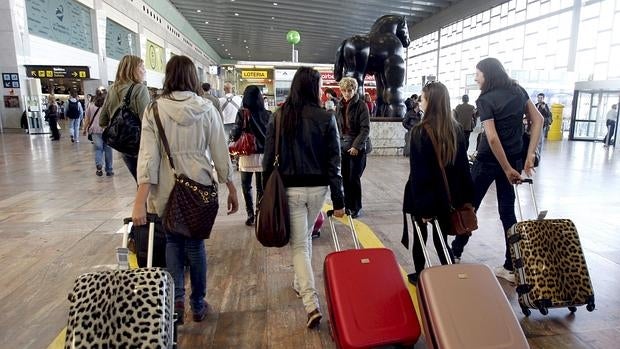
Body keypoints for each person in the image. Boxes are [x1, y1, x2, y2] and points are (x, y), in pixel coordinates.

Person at [132, 55, 239, 325]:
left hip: (167, 188)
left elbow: (148, 158)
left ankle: (176, 300)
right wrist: (230, 185)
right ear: (192, 77)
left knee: (172, 242)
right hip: (199, 187)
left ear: (168, 76)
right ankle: (198, 303)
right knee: (195, 245)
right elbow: (220, 152)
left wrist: (140, 201)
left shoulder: (154, 110)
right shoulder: (206, 109)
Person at [263, 67, 344, 329]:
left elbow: (267, 161)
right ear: (312, 87)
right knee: (304, 237)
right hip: (318, 189)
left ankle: (310, 303)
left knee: (299, 244)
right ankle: (300, 283)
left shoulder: (279, 117)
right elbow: (334, 161)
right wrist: (339, 199)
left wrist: (265, 194)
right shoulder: (326, 117)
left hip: (289, 189)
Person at [451, 58, 543, 283]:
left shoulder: (485, 99)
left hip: (487, 162)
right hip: (511, 159)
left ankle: (456, 251)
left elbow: (492, 138)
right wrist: (528, 155)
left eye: (478, 74)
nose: (475, 78)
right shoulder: (518, 90)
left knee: (470, 205)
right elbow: (538, 120)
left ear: (488, 75)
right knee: (507, 211)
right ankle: (511, 266)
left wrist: (507, 168)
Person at [402, 81, 474, 284]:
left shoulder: (419, 131)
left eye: (423, 99)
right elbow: (463, 168)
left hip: (424, 197)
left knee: (420, 235)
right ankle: (449, 271)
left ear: (430, 102)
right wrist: (468, 199)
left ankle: (420, 274)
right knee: (441, 235)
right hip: (448, 196)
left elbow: (419, 174)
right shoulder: (456, 130)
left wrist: (424, 208)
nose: (420, 102)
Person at [99, 55, 150, 182]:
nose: (144, 70)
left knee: (141, 184)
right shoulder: (140, 89)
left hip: (124, 147)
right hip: (141, 146)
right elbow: (147, 122)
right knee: (148, 187)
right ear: (132, 69)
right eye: (142, 67)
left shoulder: (112, 89)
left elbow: (102, 120)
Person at [230, 85, 271, 226]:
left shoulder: (242, 113)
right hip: (263, 156)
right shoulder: (268, 114)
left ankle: (250, 215)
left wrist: (232, 139)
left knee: (246, 187)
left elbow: (235, 133)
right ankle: (260, 214)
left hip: (247, 155)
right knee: (261, 188)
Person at [335, 77, 370, 218]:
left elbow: (365, 129)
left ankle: (355, 207)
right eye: (344, 90)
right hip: (342, 146)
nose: (346, 93)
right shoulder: (339, 105)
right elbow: (337, 127)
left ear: (354, 90)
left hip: (357, 147)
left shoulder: (361, 105)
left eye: (349, 90)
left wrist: (356, 146)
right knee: (344, 177)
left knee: (354, 178)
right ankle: (348, 205)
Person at [83, 88, 113, 176]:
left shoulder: (91, 106)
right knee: (108, 150)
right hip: (107, 130)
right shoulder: (109, 106)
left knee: (98, 149)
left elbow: (87, 119)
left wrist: (84, 129)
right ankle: (109, 170)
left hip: (95, 130)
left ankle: (99, 166)